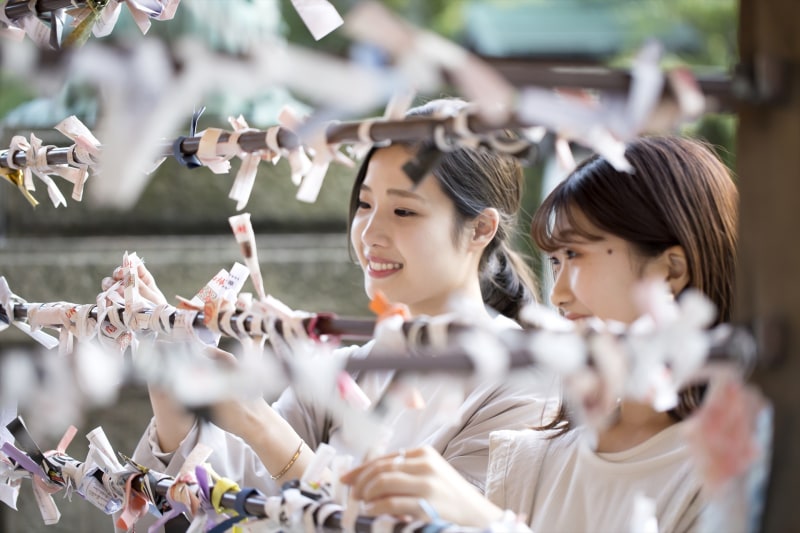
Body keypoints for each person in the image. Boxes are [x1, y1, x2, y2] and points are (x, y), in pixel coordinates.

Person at [108, 98, 556, 523]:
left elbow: (447, 523)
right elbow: (227, 495)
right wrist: (170, 383)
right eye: (364, 204)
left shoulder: (524, 384)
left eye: (403, 210)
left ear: (480, 228)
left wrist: (262, 425)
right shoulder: (357, 364)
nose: (370, 233)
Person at [341, 135, 739, 532]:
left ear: (670, 270)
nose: (559, 295)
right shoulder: (530, 458)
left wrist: (490, 521)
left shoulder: (730, 471)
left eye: (575, 255)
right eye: (554, 261)